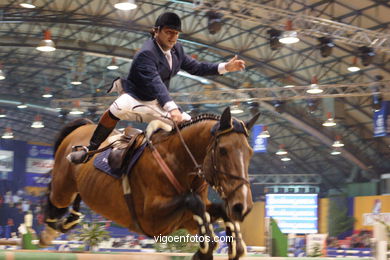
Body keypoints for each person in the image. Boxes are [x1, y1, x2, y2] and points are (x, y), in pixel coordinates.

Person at [68, 12, 245, 164]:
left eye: (176, 33)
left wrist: (225, 67)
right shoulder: (147, 53)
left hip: (158, 101)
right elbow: (155, 82)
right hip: (137, 97)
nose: (173, 37)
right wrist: (172, 108)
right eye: (169, 32)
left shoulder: (177, 49)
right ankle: (90, 150)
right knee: (115, 109)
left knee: (190, 125)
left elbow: (196, 67)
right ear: (156, 31)